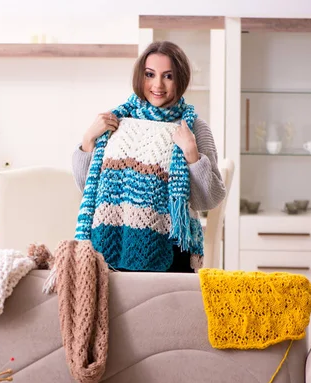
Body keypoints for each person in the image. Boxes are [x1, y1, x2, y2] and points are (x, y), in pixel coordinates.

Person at [72, 41, 226, 273]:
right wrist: (88, 140)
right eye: (150, 74)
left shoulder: (194, 127)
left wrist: (192, 155)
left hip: (171, 252)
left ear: (180, 80)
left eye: (168, 76)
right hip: (111, 247)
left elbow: (210, 200)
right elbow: (87, 187)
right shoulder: (117, 122)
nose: (157, 85)